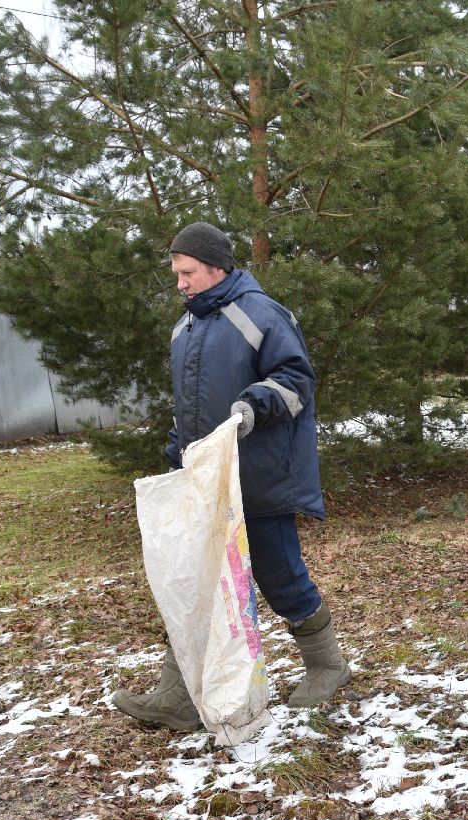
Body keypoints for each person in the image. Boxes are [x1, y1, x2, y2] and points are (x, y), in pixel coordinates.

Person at [113, 222, 351, 731]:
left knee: (279, 576)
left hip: (261, 478)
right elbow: (188, 407)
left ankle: (328, 665)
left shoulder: (261, 315)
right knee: (196, 582)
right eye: (176, 274)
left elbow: (296, 381)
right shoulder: (186, 329)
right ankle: (178, 695)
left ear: (216, 267)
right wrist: (180, 454)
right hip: (207, 484)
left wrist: (253, 405)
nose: (180, 283)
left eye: (188, 273)